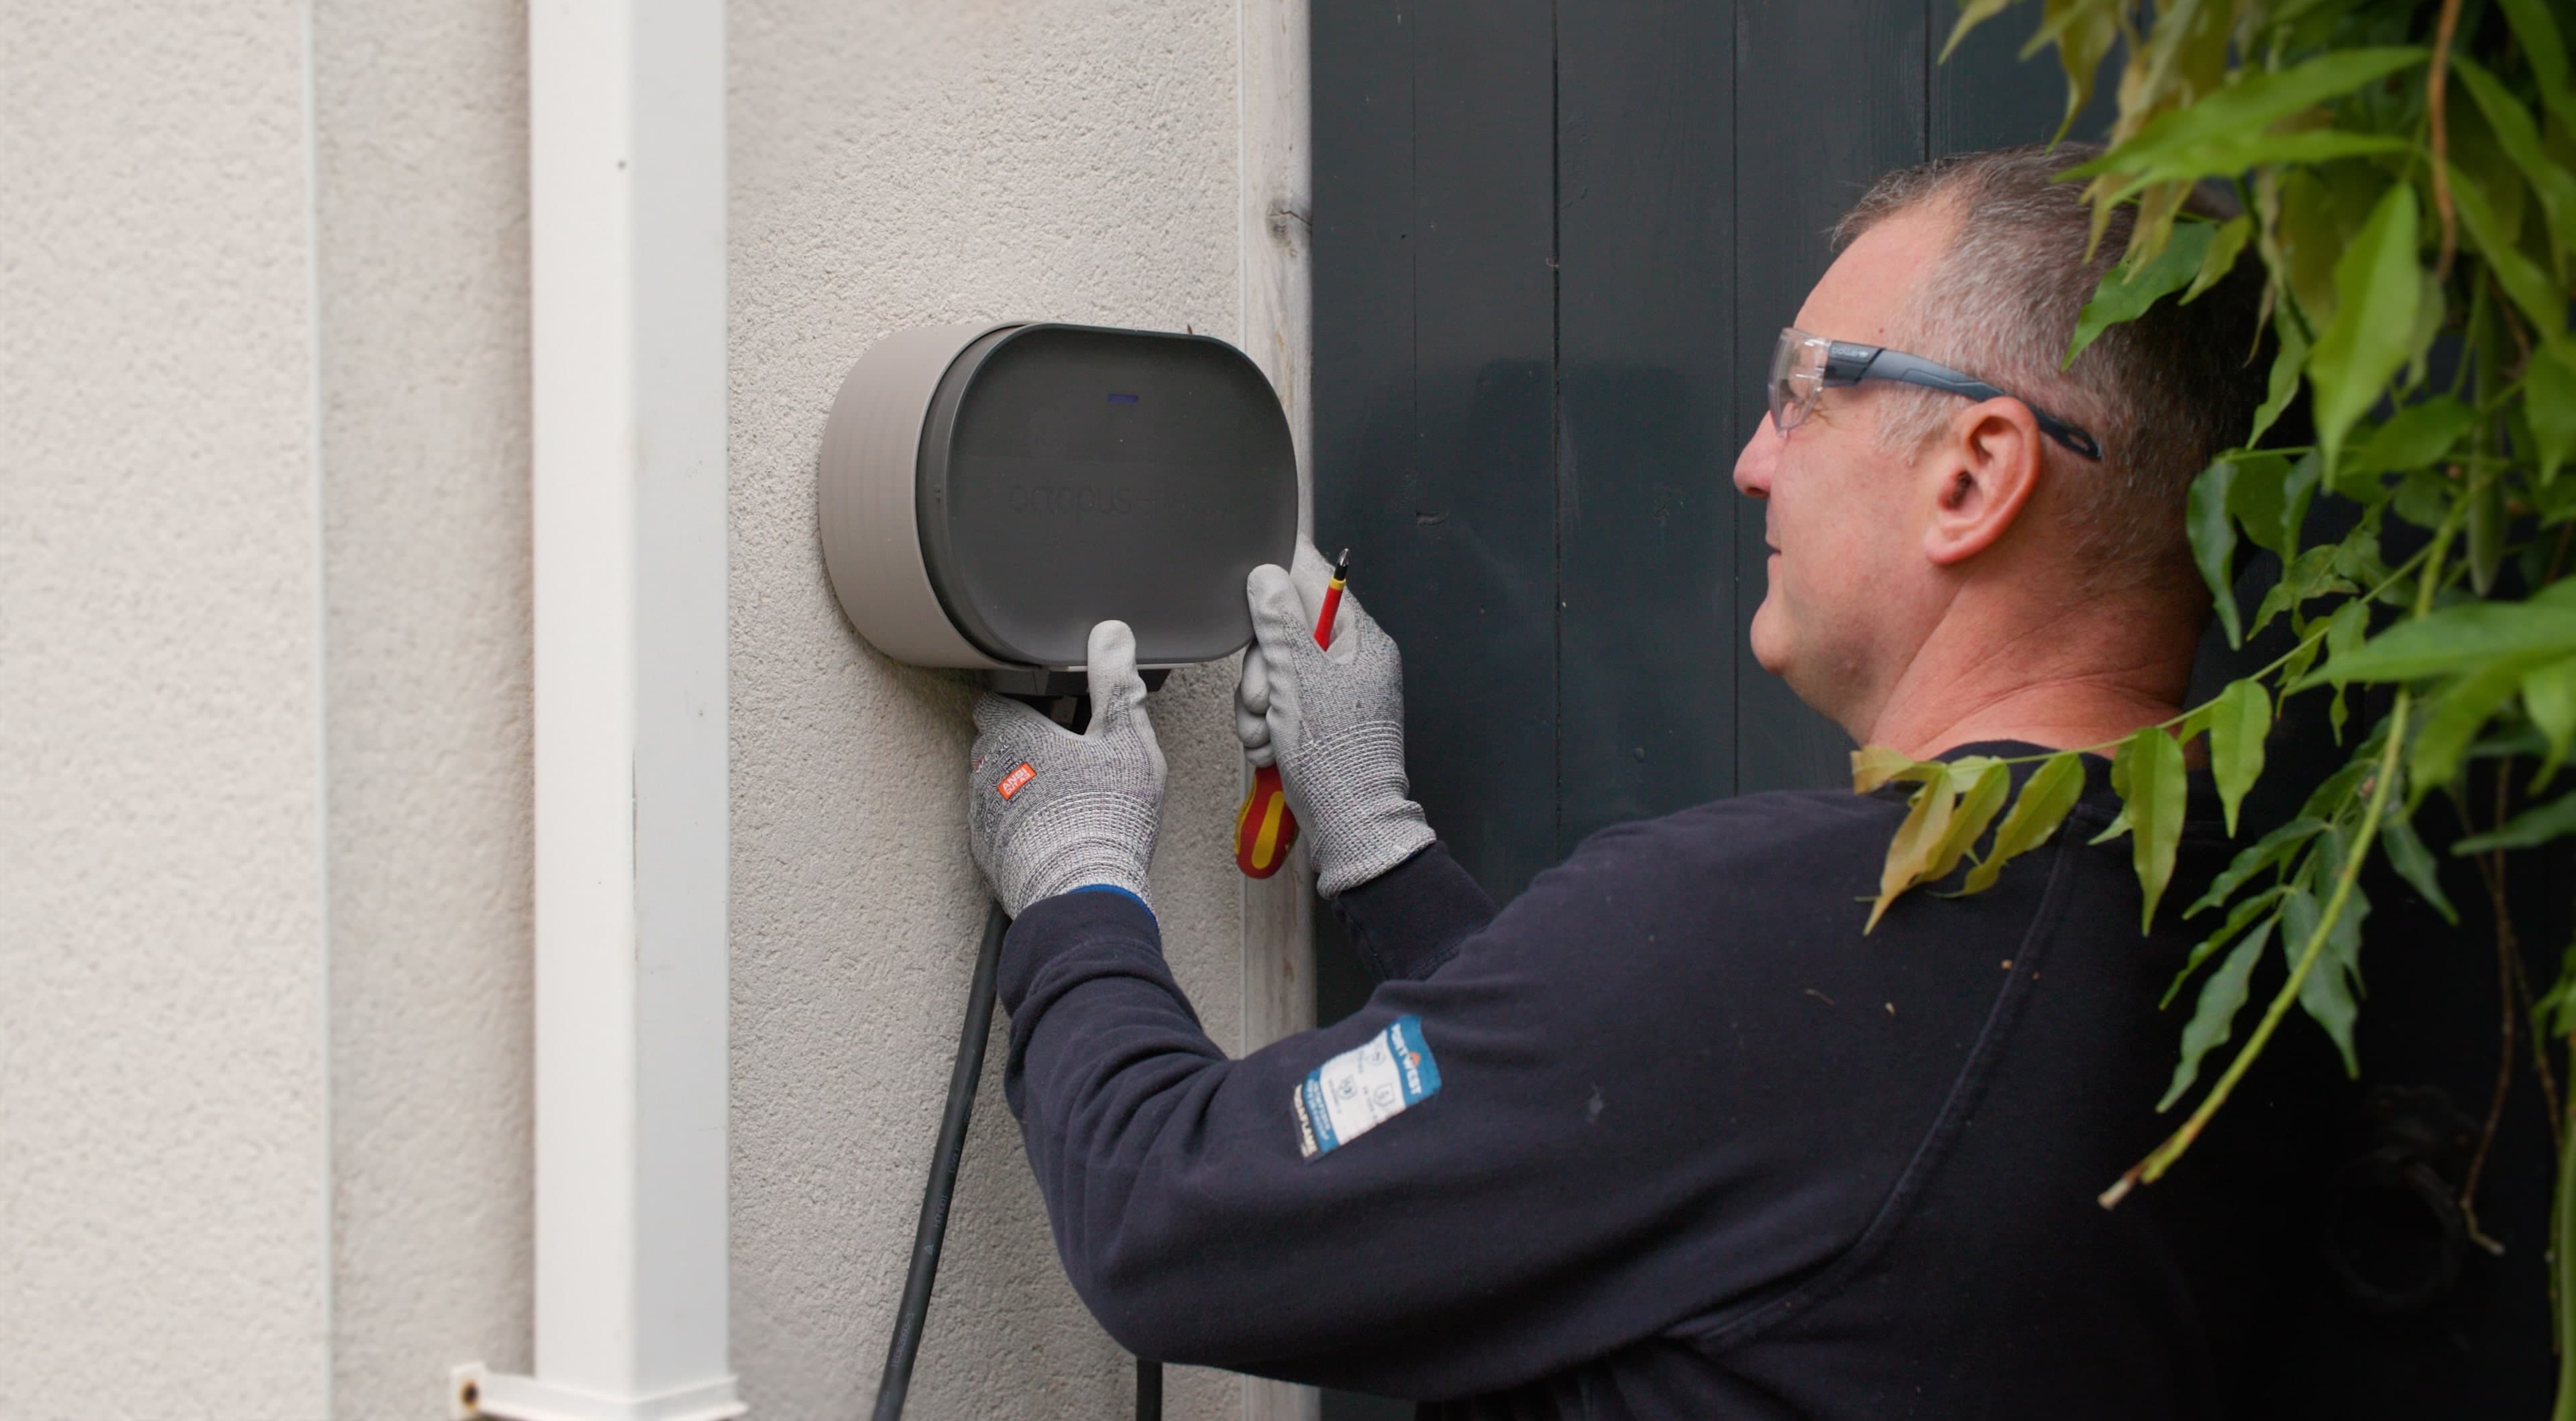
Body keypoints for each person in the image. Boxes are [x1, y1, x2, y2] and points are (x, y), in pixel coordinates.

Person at [961, 144, 2316, 1418]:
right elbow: (1667, 1107)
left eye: (1806, 389)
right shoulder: (2244, 932)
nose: (1752, 461)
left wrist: (1079, 887)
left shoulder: (1783, 937)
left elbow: (1172, 1212)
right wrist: (1379, 845)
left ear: (1974, 474)